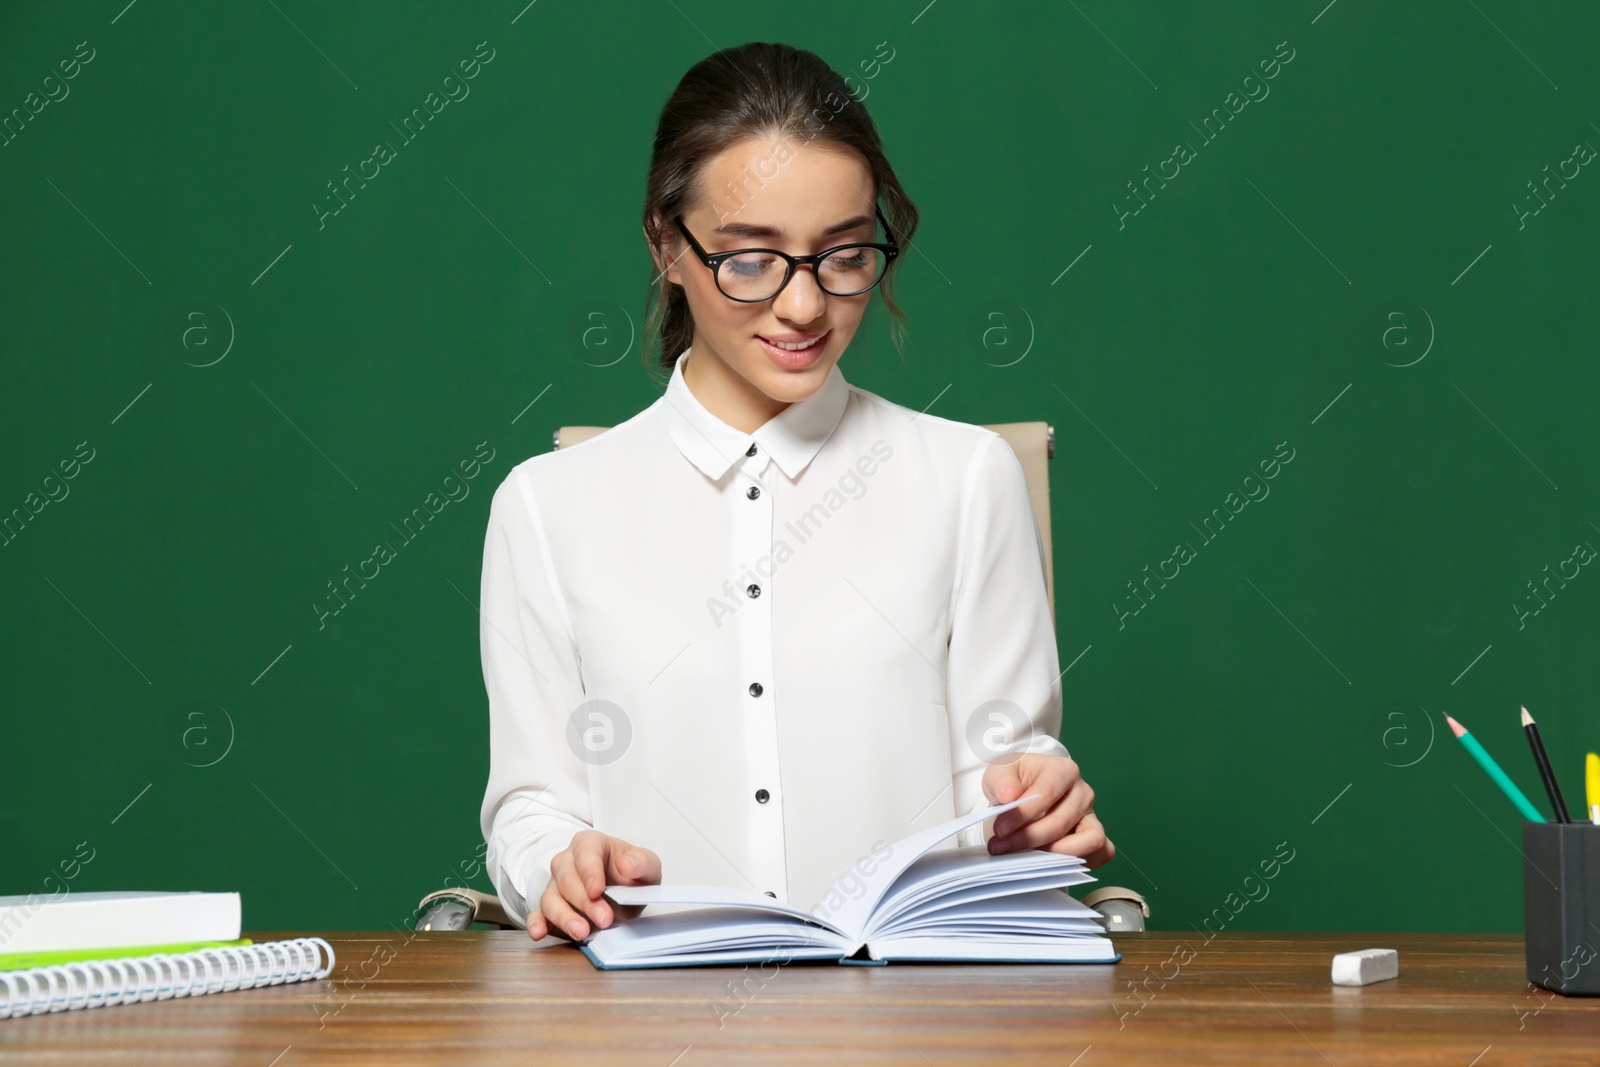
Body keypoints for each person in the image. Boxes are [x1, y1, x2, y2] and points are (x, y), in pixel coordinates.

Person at [479, 41, 1113, 945]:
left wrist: (1037, 797)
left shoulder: (969, 479)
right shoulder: (546, 507)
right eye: (750, 260)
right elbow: (530, 804)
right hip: (645, 1022)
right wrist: (559, 860)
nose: (806, 308)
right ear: (667, 244)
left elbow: (1008, 764)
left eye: (846, 255)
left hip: (915, 1017)